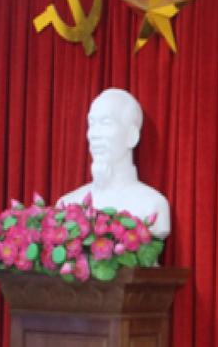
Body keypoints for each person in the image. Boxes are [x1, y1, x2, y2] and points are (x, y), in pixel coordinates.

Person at [58, 88, 171, 239]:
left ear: (132, 136)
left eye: (106, 123)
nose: (94, 134)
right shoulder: (67, 204)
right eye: (91, 124)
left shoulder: (152, 205)